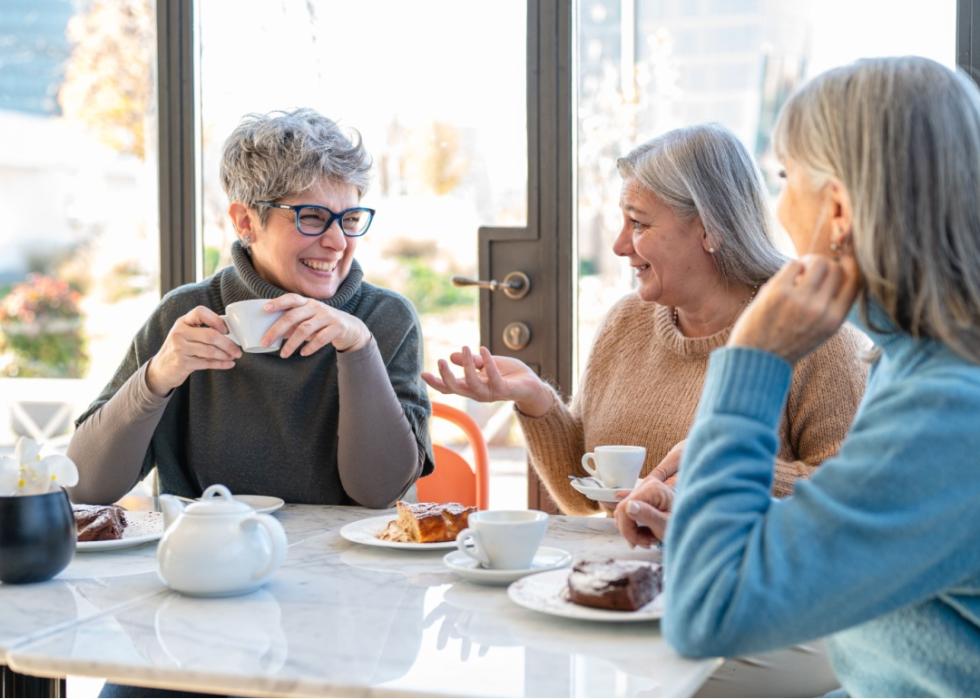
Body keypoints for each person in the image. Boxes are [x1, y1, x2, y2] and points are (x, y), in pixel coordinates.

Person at [618, 57, 980, 697]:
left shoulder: (946, 410)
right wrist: (711, 524)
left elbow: (708, 616)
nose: (777, 206)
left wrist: (754, 361)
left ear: (837, 208)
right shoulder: (917, 360)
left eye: (785, 176)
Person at [424, 124, 867, 517]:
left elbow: (852, 499)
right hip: (619, 587)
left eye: (638, 223)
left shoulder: (817, 337)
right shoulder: (627, 321)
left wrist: (719, 470)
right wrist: (536, 400)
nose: (618, 245)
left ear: (710, 228)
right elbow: (585, 498)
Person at [68, 108, 433, 508]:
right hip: (205, 561)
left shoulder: (385, 320)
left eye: (349, 219)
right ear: (245, 221)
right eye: (312, 217)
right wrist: (157, 378)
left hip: (344, 565)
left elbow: (379, 492)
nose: (338, 241)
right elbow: (85, 487)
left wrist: (359, 349)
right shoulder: (188, 315)